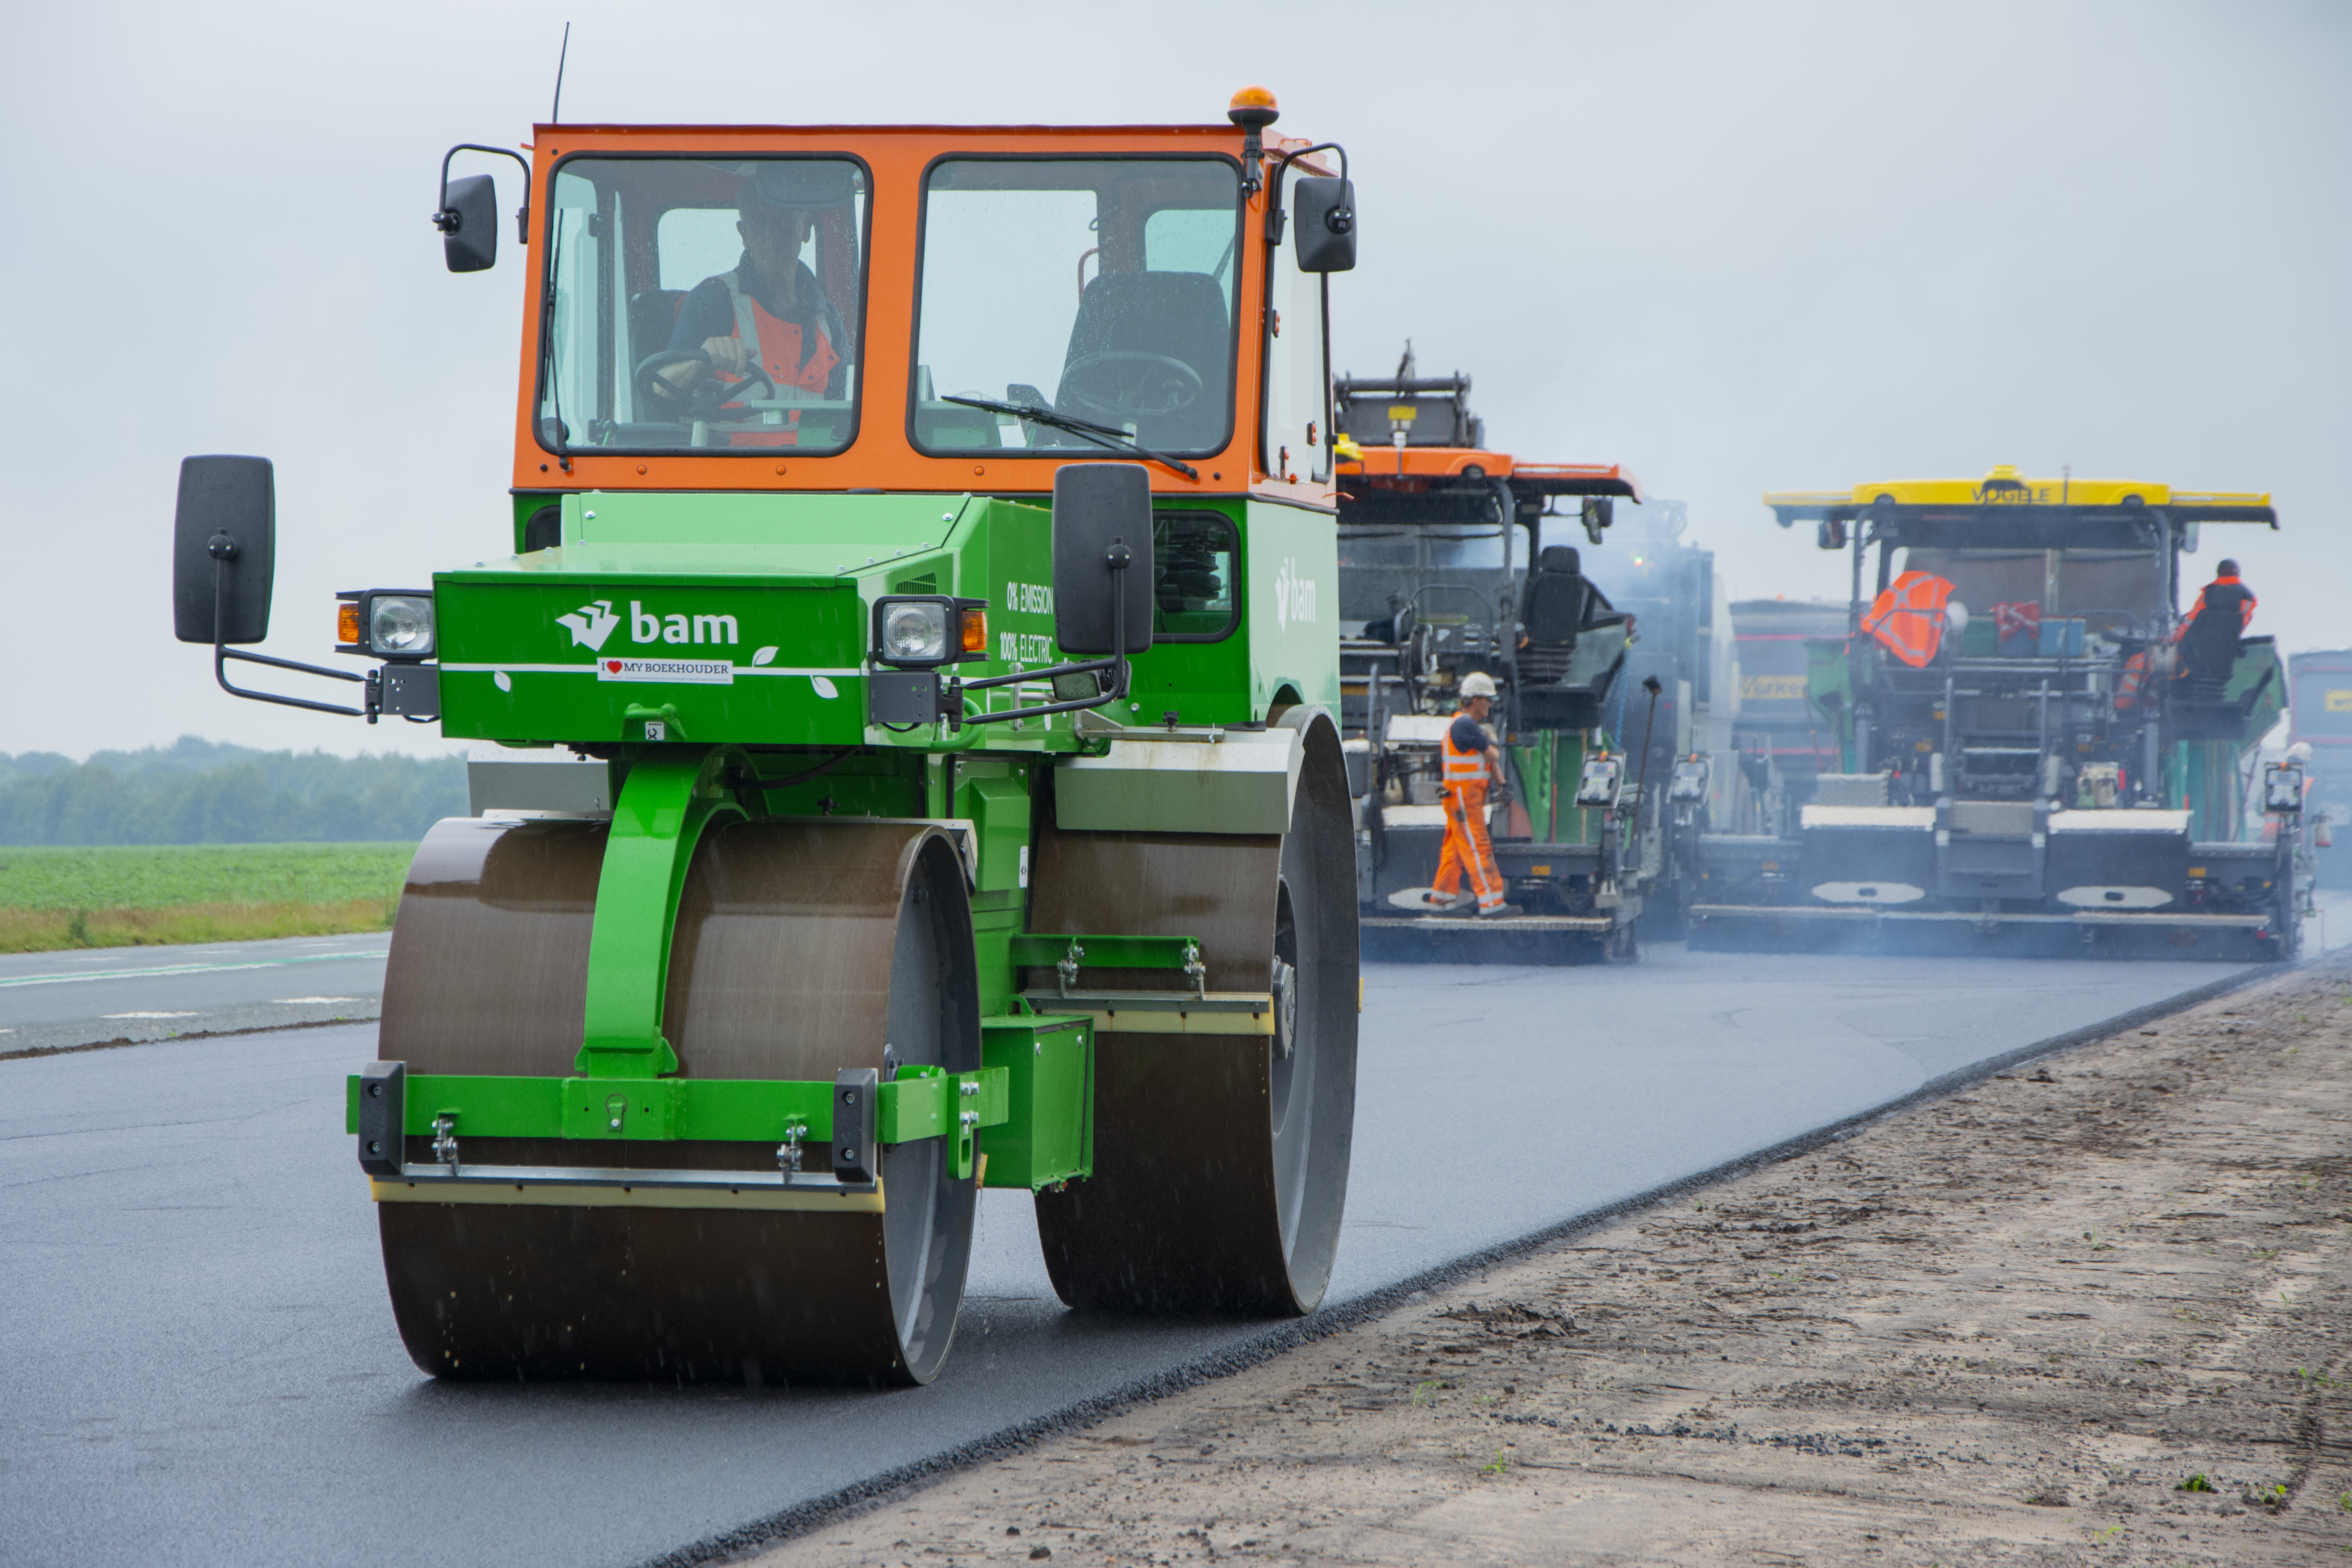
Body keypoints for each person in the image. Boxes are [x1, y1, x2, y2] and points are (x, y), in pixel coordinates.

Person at [657, 165, 855, 430]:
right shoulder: (714, 299)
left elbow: (851, 410)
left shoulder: (827, 320)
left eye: (784, 221)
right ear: (744, 234)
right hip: (724, 469)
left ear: (806, 228)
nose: (772, 234)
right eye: (761, 222)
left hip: (811, 469)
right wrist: (702, 361)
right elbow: (662, 388)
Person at [1431, 671, 1518, 917]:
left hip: (1460, 799)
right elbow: (1493, 756)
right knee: (1478, 848)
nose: (1491, 705)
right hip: (1464, 800)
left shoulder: (1469, 727)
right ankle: (1492, 903)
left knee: (1455, 849)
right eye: (1487, 699)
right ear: (1475, 700)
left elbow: (1488, 761)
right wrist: (1491, 747)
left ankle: (1442, 902)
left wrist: (1502, 785)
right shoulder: (1466, 725)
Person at [2175, 559, 2257, 688]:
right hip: (2225, 660)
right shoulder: (2248, 598)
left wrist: (2176, 639)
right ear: (2238, 575)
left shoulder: (2208, 594)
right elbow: (2241, 625)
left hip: (2197, 656)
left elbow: (2190, 621)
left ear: (2218, 573)